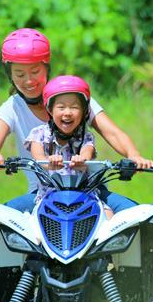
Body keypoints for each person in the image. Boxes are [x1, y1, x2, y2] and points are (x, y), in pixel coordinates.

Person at [0, 28, 153, 212]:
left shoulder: (75, 96)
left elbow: (112, 133)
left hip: (90, 189)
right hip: (42, 192)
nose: (29, 81)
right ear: (10, 76)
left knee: (137, 214)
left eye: (35, 71)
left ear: (47, 68)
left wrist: (134, 156)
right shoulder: (12, 108)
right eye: (20, 74)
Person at [24, 75, 114, 218]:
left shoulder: (87, 136)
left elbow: (87, 152)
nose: (67, 112)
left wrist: (81, 160)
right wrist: (49, 164)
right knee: (34, 225)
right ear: (50, 110)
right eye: (61, 107)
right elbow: (38, 158)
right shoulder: (38, 134)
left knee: (108, 215)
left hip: (84, 195)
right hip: (49, 197)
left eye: (74, 107)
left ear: (84, 112)